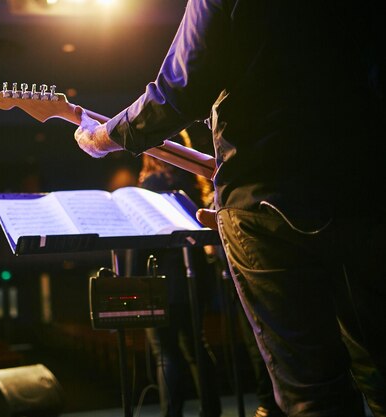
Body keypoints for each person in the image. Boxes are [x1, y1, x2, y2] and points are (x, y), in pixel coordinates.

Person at [72, 1, 386, 416]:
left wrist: (103, 138)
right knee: (378, 368)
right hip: (363, 195)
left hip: (265, 201)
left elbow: (178, 90)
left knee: (313, 392)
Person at [133, 132, 221, 417]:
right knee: (196, 345)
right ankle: (212, 409)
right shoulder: (192, 184)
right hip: (194, 274)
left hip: (161, 278)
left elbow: (144, 236)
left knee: (165, 352)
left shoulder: (151, 184)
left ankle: (172, 414)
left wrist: (134, 278)